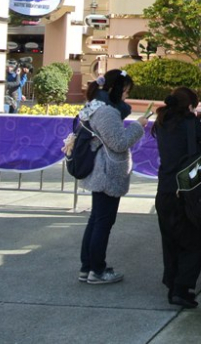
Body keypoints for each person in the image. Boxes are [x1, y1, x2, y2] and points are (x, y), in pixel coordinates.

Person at [152, 87, 201, 309]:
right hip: (186, 194)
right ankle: (182, 290)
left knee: (170, 240)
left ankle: (172, 285)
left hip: (164, 191)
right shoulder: (191, 125)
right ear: (191, 106)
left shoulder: (162, 123)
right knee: (195, 240)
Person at [78, 70, 147, 285]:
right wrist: (138, 126)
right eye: (125, 91)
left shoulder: (95, 106)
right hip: (106, 172)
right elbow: (118, 143)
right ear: (115, 89)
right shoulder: (107, 112)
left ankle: (87, 267)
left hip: (100, 170)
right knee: (103, 222)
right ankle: (97, 270)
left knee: (96, 220)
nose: (126, 96)